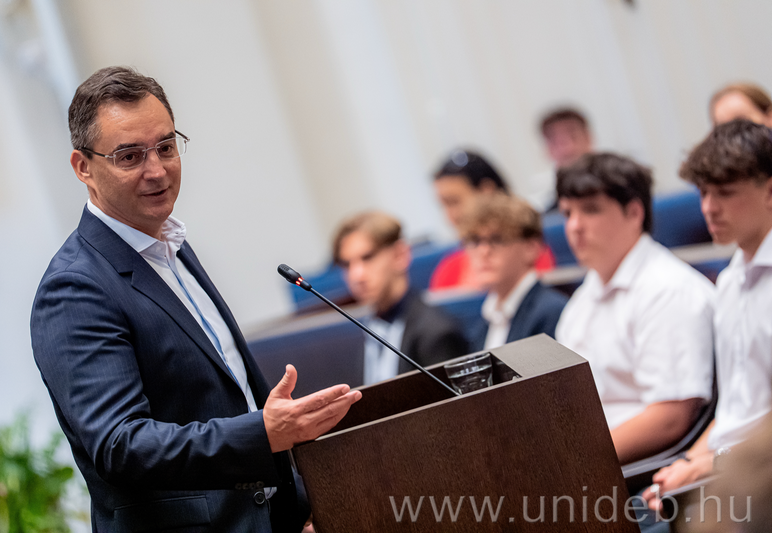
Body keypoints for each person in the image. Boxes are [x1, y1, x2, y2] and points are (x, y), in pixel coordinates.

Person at [30, 66, 361, 532]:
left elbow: (229, 397)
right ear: (83, 167)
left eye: (166, 147)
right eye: (130, 156)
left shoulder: (172, 247)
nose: (157, 170)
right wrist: (262, 434)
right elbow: (121, 445)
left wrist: (302, 509)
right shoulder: (74, 288)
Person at [643, 119, 772, 511]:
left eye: (725, 193)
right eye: (703, 193)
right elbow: (733, 410)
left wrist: (713, 465)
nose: (708, 208)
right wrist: (688, 462)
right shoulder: (730, 281)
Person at [555, 152, 714, 465]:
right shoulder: (583, 298)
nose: (574, 226)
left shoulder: (667, 290)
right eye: (567, 213)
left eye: (590, 210)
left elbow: (670, 417)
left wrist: (573, 463)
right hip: (596, 462)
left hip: (641, 468)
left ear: (634, 212)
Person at [333, 211, 469, 384]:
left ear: (400, 255)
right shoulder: (367, 330)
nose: (356, 276)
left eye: (368, 258)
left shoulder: (436, 333)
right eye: (346, 265)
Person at [430, 149, 554, 290]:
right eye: (443, 205)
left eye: (454, 202)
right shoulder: (448, 270)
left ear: (487, 191)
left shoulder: (526, 252)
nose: (450, 215)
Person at [458, 193, 568, 350]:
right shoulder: (485, 322)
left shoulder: (551, 312)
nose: (483, 251)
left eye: (496, 239)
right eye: (475, 241)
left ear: (531, 248)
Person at [524, 107, 594, 211]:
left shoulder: (616, 181)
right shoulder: (539, 203)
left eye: (573, 136)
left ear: (588, 138)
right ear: (547, 148)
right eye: (556, 141)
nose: (567, 148)